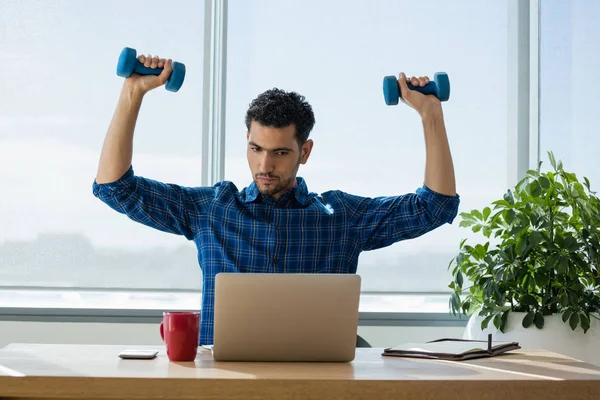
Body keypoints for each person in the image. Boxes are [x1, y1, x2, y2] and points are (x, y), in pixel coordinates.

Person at [93, 54, 460, 346]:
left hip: (319, 384)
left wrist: (431, 114)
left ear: (305, 152)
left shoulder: (341, 216)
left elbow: (435, 206)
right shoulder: (212, 209)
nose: (264, 165)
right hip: (221, 381)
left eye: (281, 153)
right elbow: (115, 188)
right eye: (256, 149)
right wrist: (133, 92)